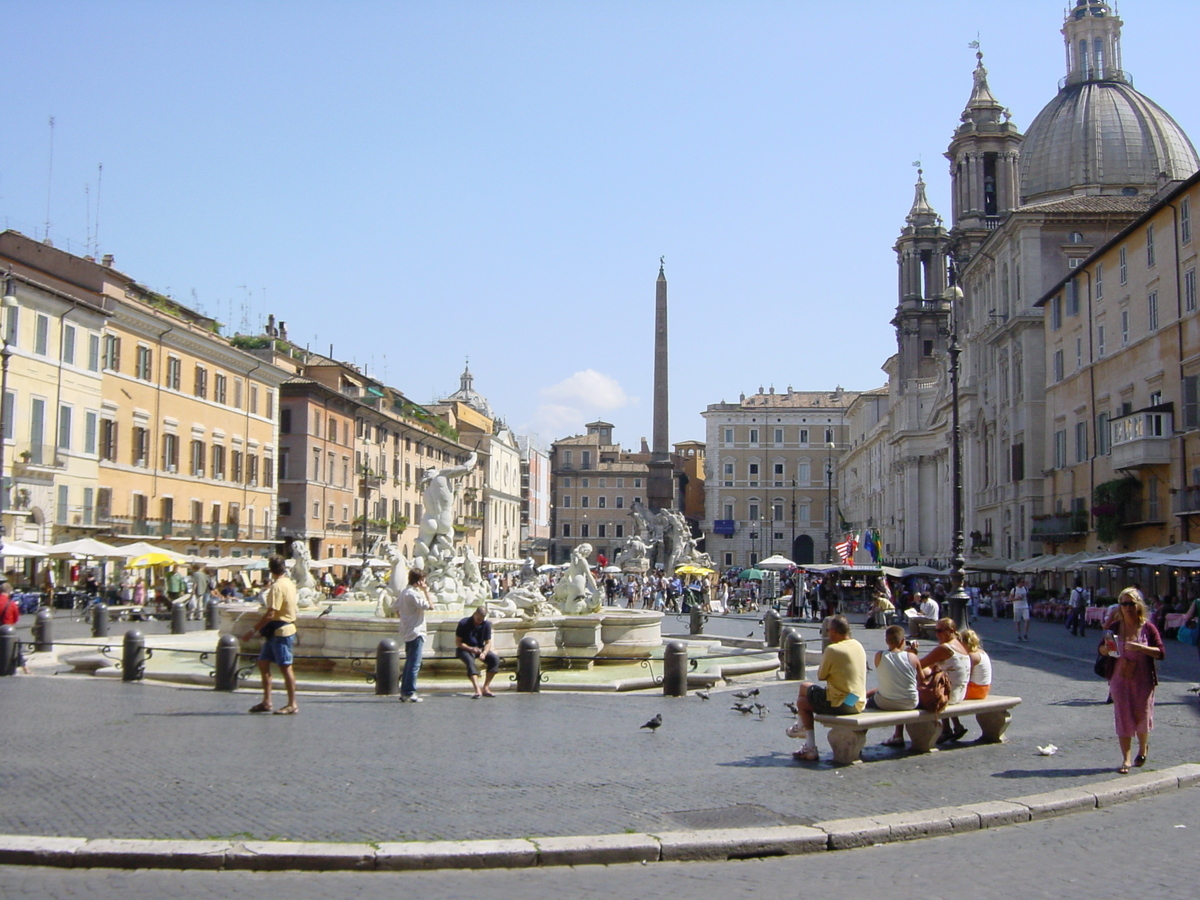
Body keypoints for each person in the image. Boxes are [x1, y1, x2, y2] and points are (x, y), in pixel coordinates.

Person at [790, 614, 866, 762]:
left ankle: (807, 740)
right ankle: (802, 730)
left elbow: (821, 675)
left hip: (842, 703)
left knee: (803, 693)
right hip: (857, 701)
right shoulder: (858, 645)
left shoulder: (833, 649)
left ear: (832, 632)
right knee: (805, 699)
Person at [1107, 587, 1165, 774]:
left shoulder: (1148, 628)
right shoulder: (1115, 627)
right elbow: (1102, 649)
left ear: (1138, 605)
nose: (1127, 607)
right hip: (1120, 677)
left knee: (1142, 715)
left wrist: (1141, 647)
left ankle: (1143, 748)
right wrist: (1107, 649)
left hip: (1143, 679)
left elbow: (1161, 653)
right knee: (1123, 716)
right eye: (1124, 604)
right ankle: (1126, 758)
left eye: (1131, 603)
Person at [242, 555, 299, 715]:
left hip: (281, 631)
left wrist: (253, 630)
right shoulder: (289, 583)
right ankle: (267, 701)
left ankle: (292, 704)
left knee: (285, 666)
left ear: (271, 569)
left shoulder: (277, 587)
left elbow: (270, 613)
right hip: (277, 630)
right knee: (263, 663)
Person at [867, 625, 924, 748]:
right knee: (901, 691)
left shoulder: (879, 656)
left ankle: (860, 735)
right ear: (903, 641)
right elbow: (921, 680)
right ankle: (898, 735)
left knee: (870, 702)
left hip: (885, 702)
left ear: (887, 641)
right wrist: (912, 653)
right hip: (910, 702)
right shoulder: (913, 657)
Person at [919, 617, 971, 742]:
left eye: (940, 631)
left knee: (910, 692)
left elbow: (918, 665)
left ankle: (900, 735)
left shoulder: (944, 648)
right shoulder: (960, 644)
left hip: (950, 695)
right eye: (936, 630)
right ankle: (950, 727)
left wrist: (911, 653)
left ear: (951, 630)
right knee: (935, 677)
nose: (937, 634)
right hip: (959, 693)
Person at [395, 568, 434, 703]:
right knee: (414, 664)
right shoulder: (414, 594)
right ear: (418, 581)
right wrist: (426, 591)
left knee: (409, 662)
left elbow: (395, 608)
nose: (424, 583)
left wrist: (406, 620)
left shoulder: (404, 593)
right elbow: (430, 606)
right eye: (423, 580)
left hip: (407, 630)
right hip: (417, 631)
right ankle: (410, 692)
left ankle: (404, 691)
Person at [455, 606, 500, 698]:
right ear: (474, 614)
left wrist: (484, 652)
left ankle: (486, 687)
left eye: (481, 620)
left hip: (479, 649)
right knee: (470, 661)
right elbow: (458, 642)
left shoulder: (486, 624)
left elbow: (488, 642)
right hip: (464, 649)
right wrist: (471, 649)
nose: (479, 621)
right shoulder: (463, 623)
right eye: (478, 619)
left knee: (495, 659)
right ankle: (477, 689)